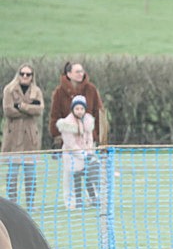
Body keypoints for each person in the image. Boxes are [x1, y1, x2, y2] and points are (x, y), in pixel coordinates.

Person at [2, 63, 44, 211]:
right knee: (12, 174)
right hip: (13, 137)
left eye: (28, 74)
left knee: (30, 175)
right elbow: (8, 110)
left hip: (30, 138)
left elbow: (39, 110)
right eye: (22, 73)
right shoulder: (9, 89)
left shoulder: (36, 91)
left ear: (32, 77)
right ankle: (12, 204)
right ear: (18, 74)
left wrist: (22, 106)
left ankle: (31, 204)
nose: (25, 76)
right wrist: (28, 108)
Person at [56, 95, 99, 209]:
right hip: (72, 156)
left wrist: (89, 151)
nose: (79, 111)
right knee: (74, 179)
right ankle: (75, 201)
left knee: (89, 177)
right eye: (77, 109)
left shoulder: (88, 121)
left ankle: (93, 198)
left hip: (86, 154)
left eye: (82, 109)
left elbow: (89, 138)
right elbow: (70, 143)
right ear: (73, 109)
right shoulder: (67, 124)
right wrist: (82, 154)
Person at [49, 62, 104, 149]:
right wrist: (57, 135)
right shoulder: (59, 92)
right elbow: (55, 115)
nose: (80, 74)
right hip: (68, 139)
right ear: (69, 74)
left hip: (88, 139)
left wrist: (97, 134)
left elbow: (99, 112)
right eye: (77, 72)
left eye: (82, 71)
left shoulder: (91, 89)